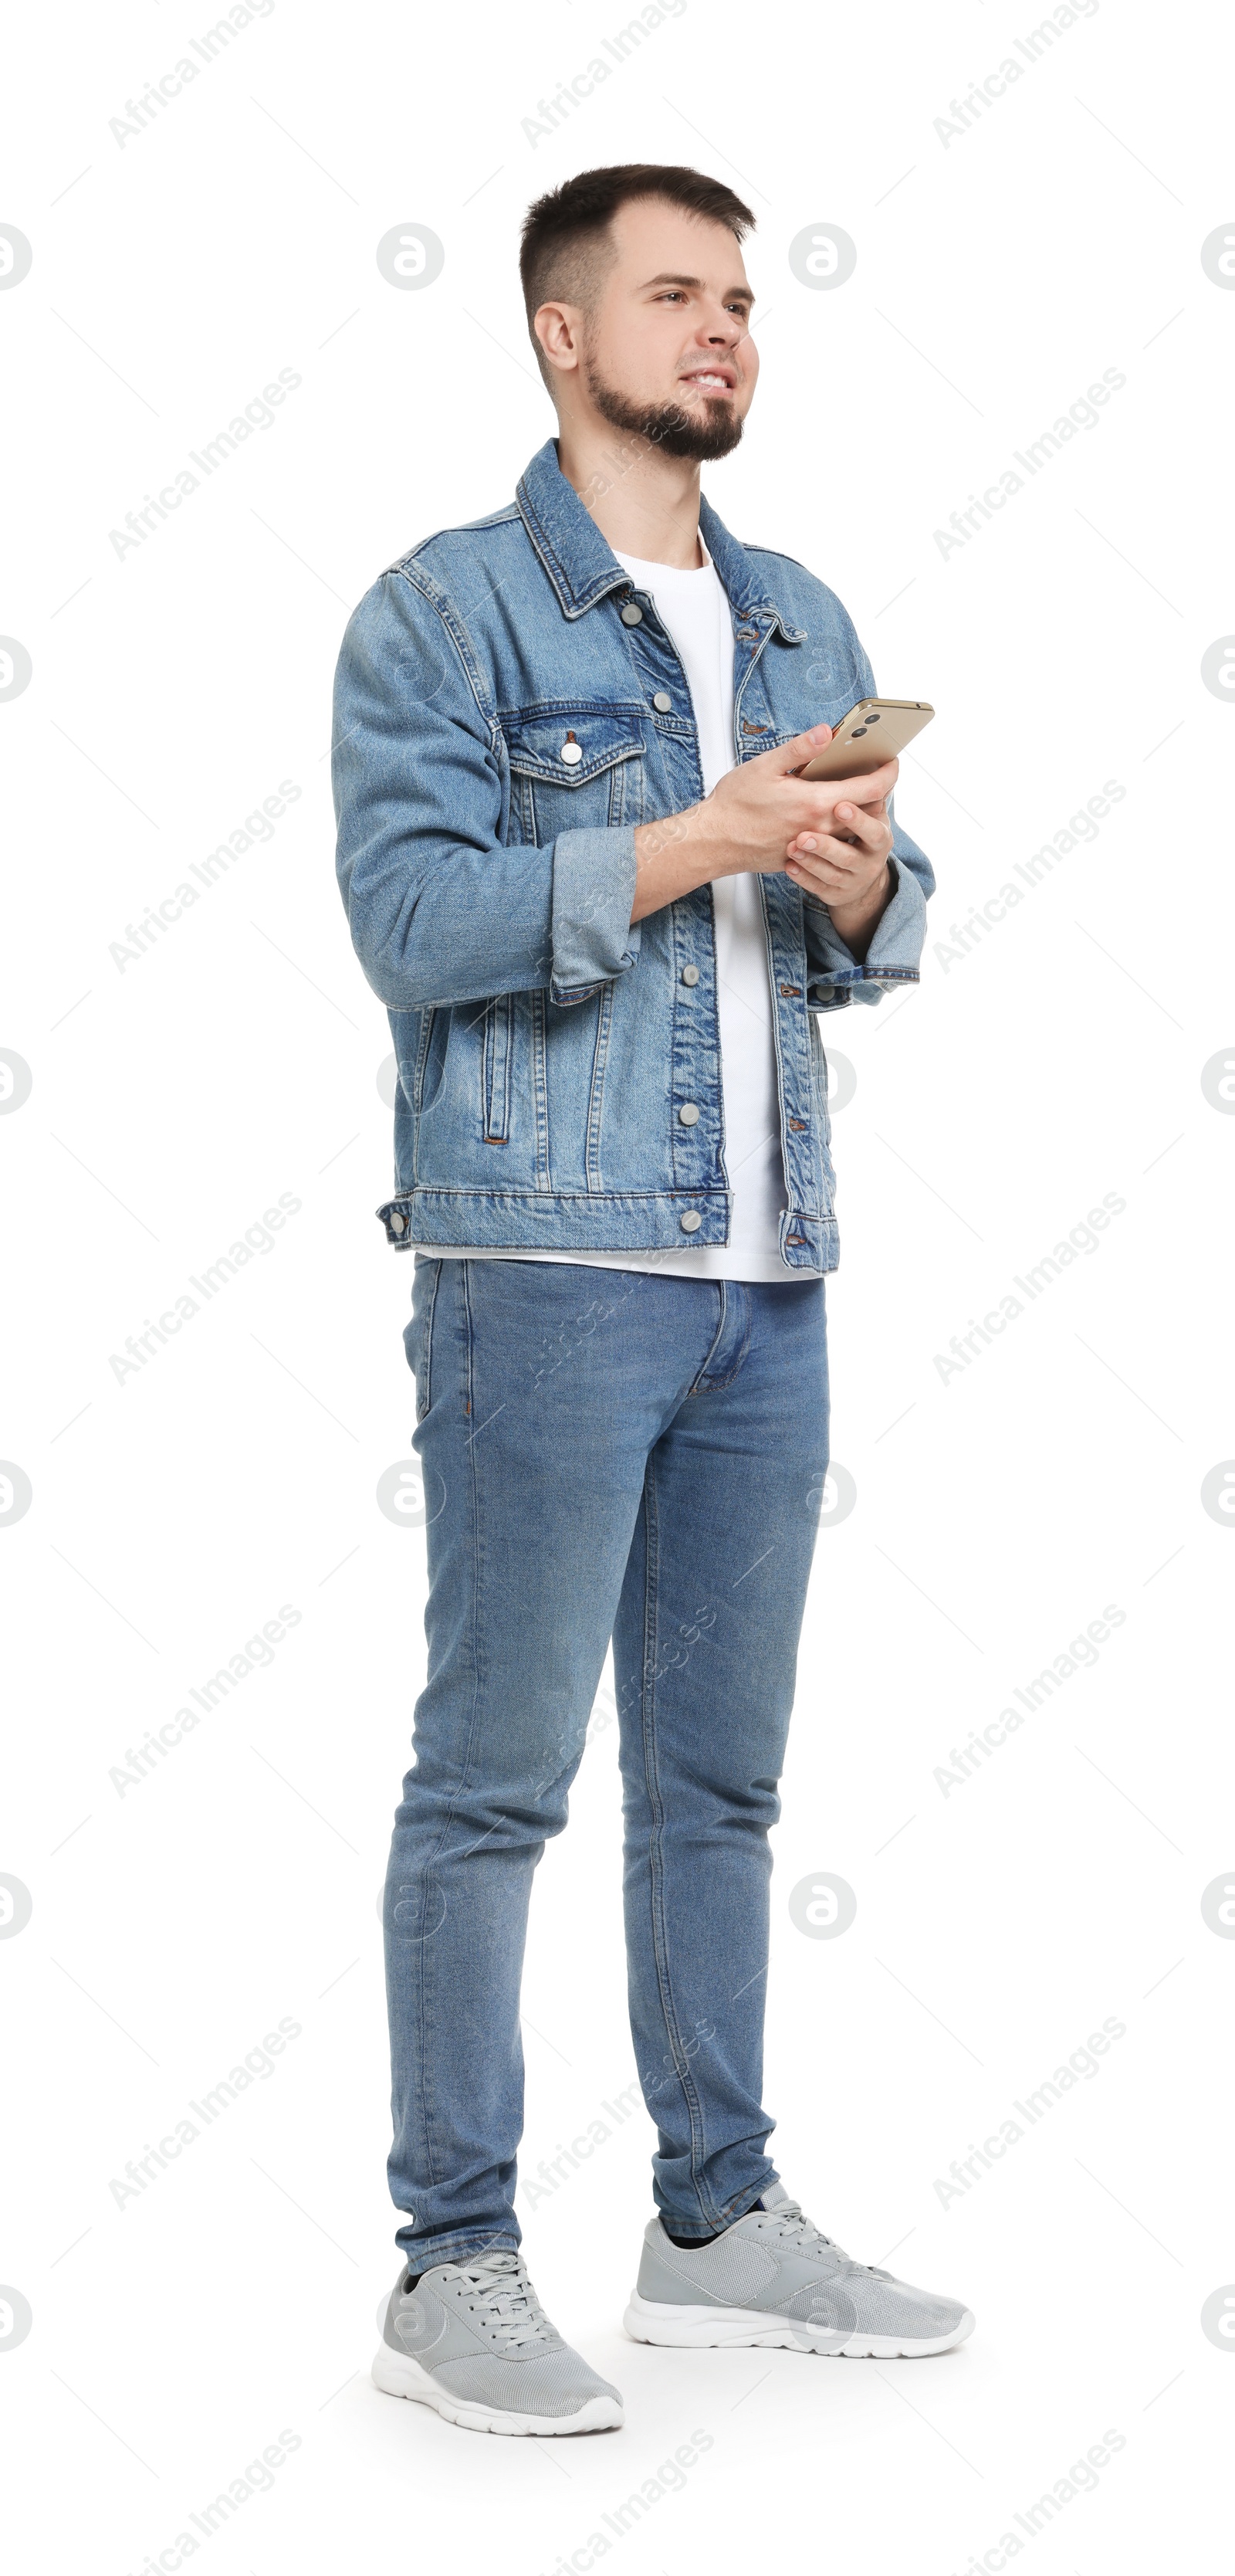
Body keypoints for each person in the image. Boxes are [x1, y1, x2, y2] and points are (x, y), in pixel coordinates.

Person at [333, 161, 972, 2440]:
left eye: (744, 300)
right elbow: (415, 925)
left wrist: (862, 878)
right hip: (546, 1267)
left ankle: (715, 2221)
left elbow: (872, 944)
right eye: (676, 297)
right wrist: (700, 837)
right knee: (496, 1779)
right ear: (557, 334)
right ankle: (452, 2262)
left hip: (765, 1272)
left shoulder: (794, 613)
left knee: (720, 1788)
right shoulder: (447, 611)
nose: (724, 334)